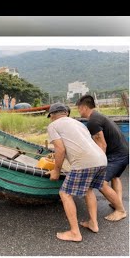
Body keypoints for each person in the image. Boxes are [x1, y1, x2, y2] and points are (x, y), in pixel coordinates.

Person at [46, 102, 107, 242]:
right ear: (66, 113)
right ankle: (93, 224)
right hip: (101, 159)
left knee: (64, 193)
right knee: (89, 189)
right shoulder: (79, 123)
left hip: (84, 163)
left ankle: (75, 233)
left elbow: (60, 150)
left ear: (52, 116)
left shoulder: (53, 125)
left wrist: (56, 170)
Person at [77, 95, 128, 221]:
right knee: (115, 177)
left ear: (83, 107)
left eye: (78, 108)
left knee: (100, 182)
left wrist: (99, 165)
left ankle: (120, 210)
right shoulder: (98, 116)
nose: (78, 111)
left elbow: (102, 145)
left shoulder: (93, 122)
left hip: (116, 156)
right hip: (124, 151)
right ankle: (117, 202)